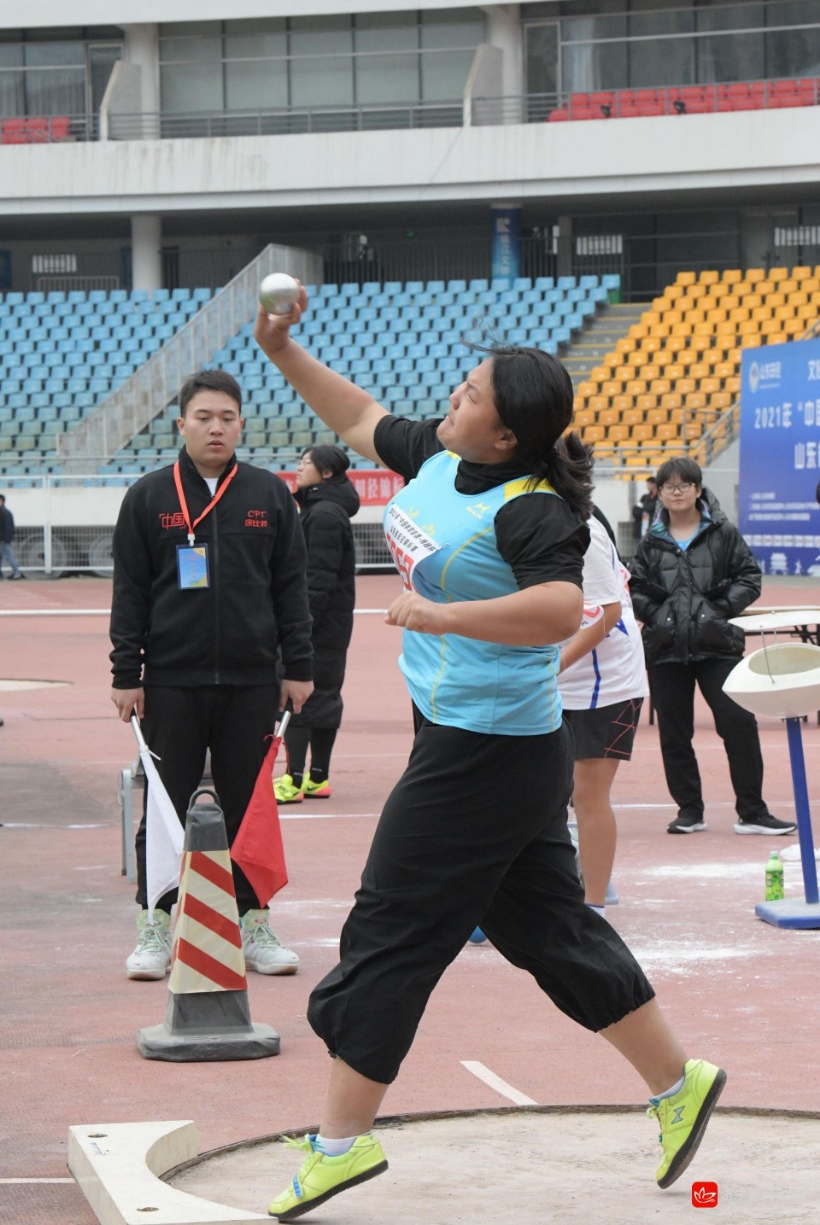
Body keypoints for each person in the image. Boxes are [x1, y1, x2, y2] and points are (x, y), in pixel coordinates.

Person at [253, 288, 726, 1221]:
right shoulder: (439, 455)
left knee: (390, 931)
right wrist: (280, 347)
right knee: (549, 929)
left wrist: (441, 614)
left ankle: (339, 1147)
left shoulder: (534, 510)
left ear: (508, 437)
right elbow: (354, 414)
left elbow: (562, 610)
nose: (452, 403)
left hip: (488, 754)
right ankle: (680, 1085)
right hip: (478, 739)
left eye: (470, 396)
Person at [109, 369, 314, 980]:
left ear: (241, 424)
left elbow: (290, 589)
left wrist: (298, 667)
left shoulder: (269, 495)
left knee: (249, 809)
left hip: (253, 681)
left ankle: (253, 922)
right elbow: (130, 593)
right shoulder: (148, 497)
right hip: (170, 681)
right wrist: (127, 672)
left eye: (227, 417)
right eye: (204, 417)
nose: (216, 427)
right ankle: (154, 923)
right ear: (181, 425)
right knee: (165, 809)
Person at [629, 457, 796, 837]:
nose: (677, 491)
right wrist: (657, 615)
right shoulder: (650, 541)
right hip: (665, 648)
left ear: (698, 490)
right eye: (669, 485)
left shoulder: (723, 533)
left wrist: (716, 610)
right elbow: (633, 587)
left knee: (738, 725)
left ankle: (752, 812)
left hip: (718, 646)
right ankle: (689, 810)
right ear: (659, 492)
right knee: (674, 733)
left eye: (684, 484)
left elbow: (750, 577)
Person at [559, 509, 648, 915]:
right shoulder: (509, 514)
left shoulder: (582, 529)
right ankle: (584, 873)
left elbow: (606, 615)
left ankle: (592, 906)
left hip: (605, 681)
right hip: (555, 674)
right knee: (537, 792)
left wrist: (551, 666)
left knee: (588, 792)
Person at [274, 445, 360, 803]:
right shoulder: (324, 509)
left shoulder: (323, 514)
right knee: (324, 694)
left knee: (300, 696)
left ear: (325, 473)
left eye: (305, 463)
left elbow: (317, 579)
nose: (298, 468)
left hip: (317, 623)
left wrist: (299, 627)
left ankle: (293, 781)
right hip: (331, 623)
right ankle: (317, 778)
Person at [0, 493, 23, 579]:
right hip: (5, 539)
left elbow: (3, 527)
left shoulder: (1, 512)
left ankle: (17, 573)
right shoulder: (8, 512)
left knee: (9, 557)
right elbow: (11, 526)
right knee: (5, 557)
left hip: (2, 540)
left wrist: (3, 538)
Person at [631, 476, 657, 542]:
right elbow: (635, 511)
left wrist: (644, 509)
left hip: (654, 534)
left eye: (648, 484)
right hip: (641, 533)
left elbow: (655, 511)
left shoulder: (660, 499)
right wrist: (646, 512)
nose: (647, 486)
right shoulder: (644, 497)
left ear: (653, 484)